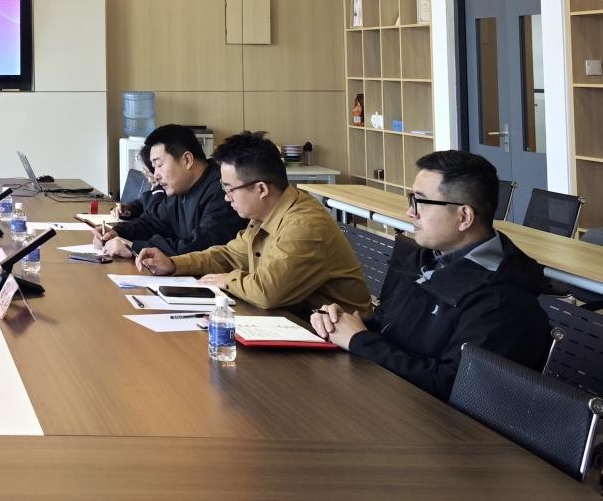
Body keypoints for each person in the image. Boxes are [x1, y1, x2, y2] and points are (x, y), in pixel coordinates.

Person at [310, 151, 552, 399]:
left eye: (421, 202)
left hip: (434, 419)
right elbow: (386, 326)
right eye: (412, 199)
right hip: (388, 396)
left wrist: (360, 340)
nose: (410, 212)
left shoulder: (504, 302)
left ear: (464, 217)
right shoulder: (427, 262)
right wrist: (340, 324)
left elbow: (453, 387)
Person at [134, 131, 372, 317]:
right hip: (295, 321)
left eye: (230, 189)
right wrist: (173, 264)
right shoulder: (264, 215)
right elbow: (228, 256)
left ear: (261, 189)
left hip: (339, 341)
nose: (226, 198)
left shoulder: (304, 225)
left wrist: (226, 279)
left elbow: (267, 291)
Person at [92, 124, 247, 259]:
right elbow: (151, 223)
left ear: (187, 160)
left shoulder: (223, 190)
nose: (156, 175)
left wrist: (134, 248)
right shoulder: (179, 188)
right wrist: (116, 232)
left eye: (159, 165)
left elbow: (201, 247)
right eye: (154, 167)